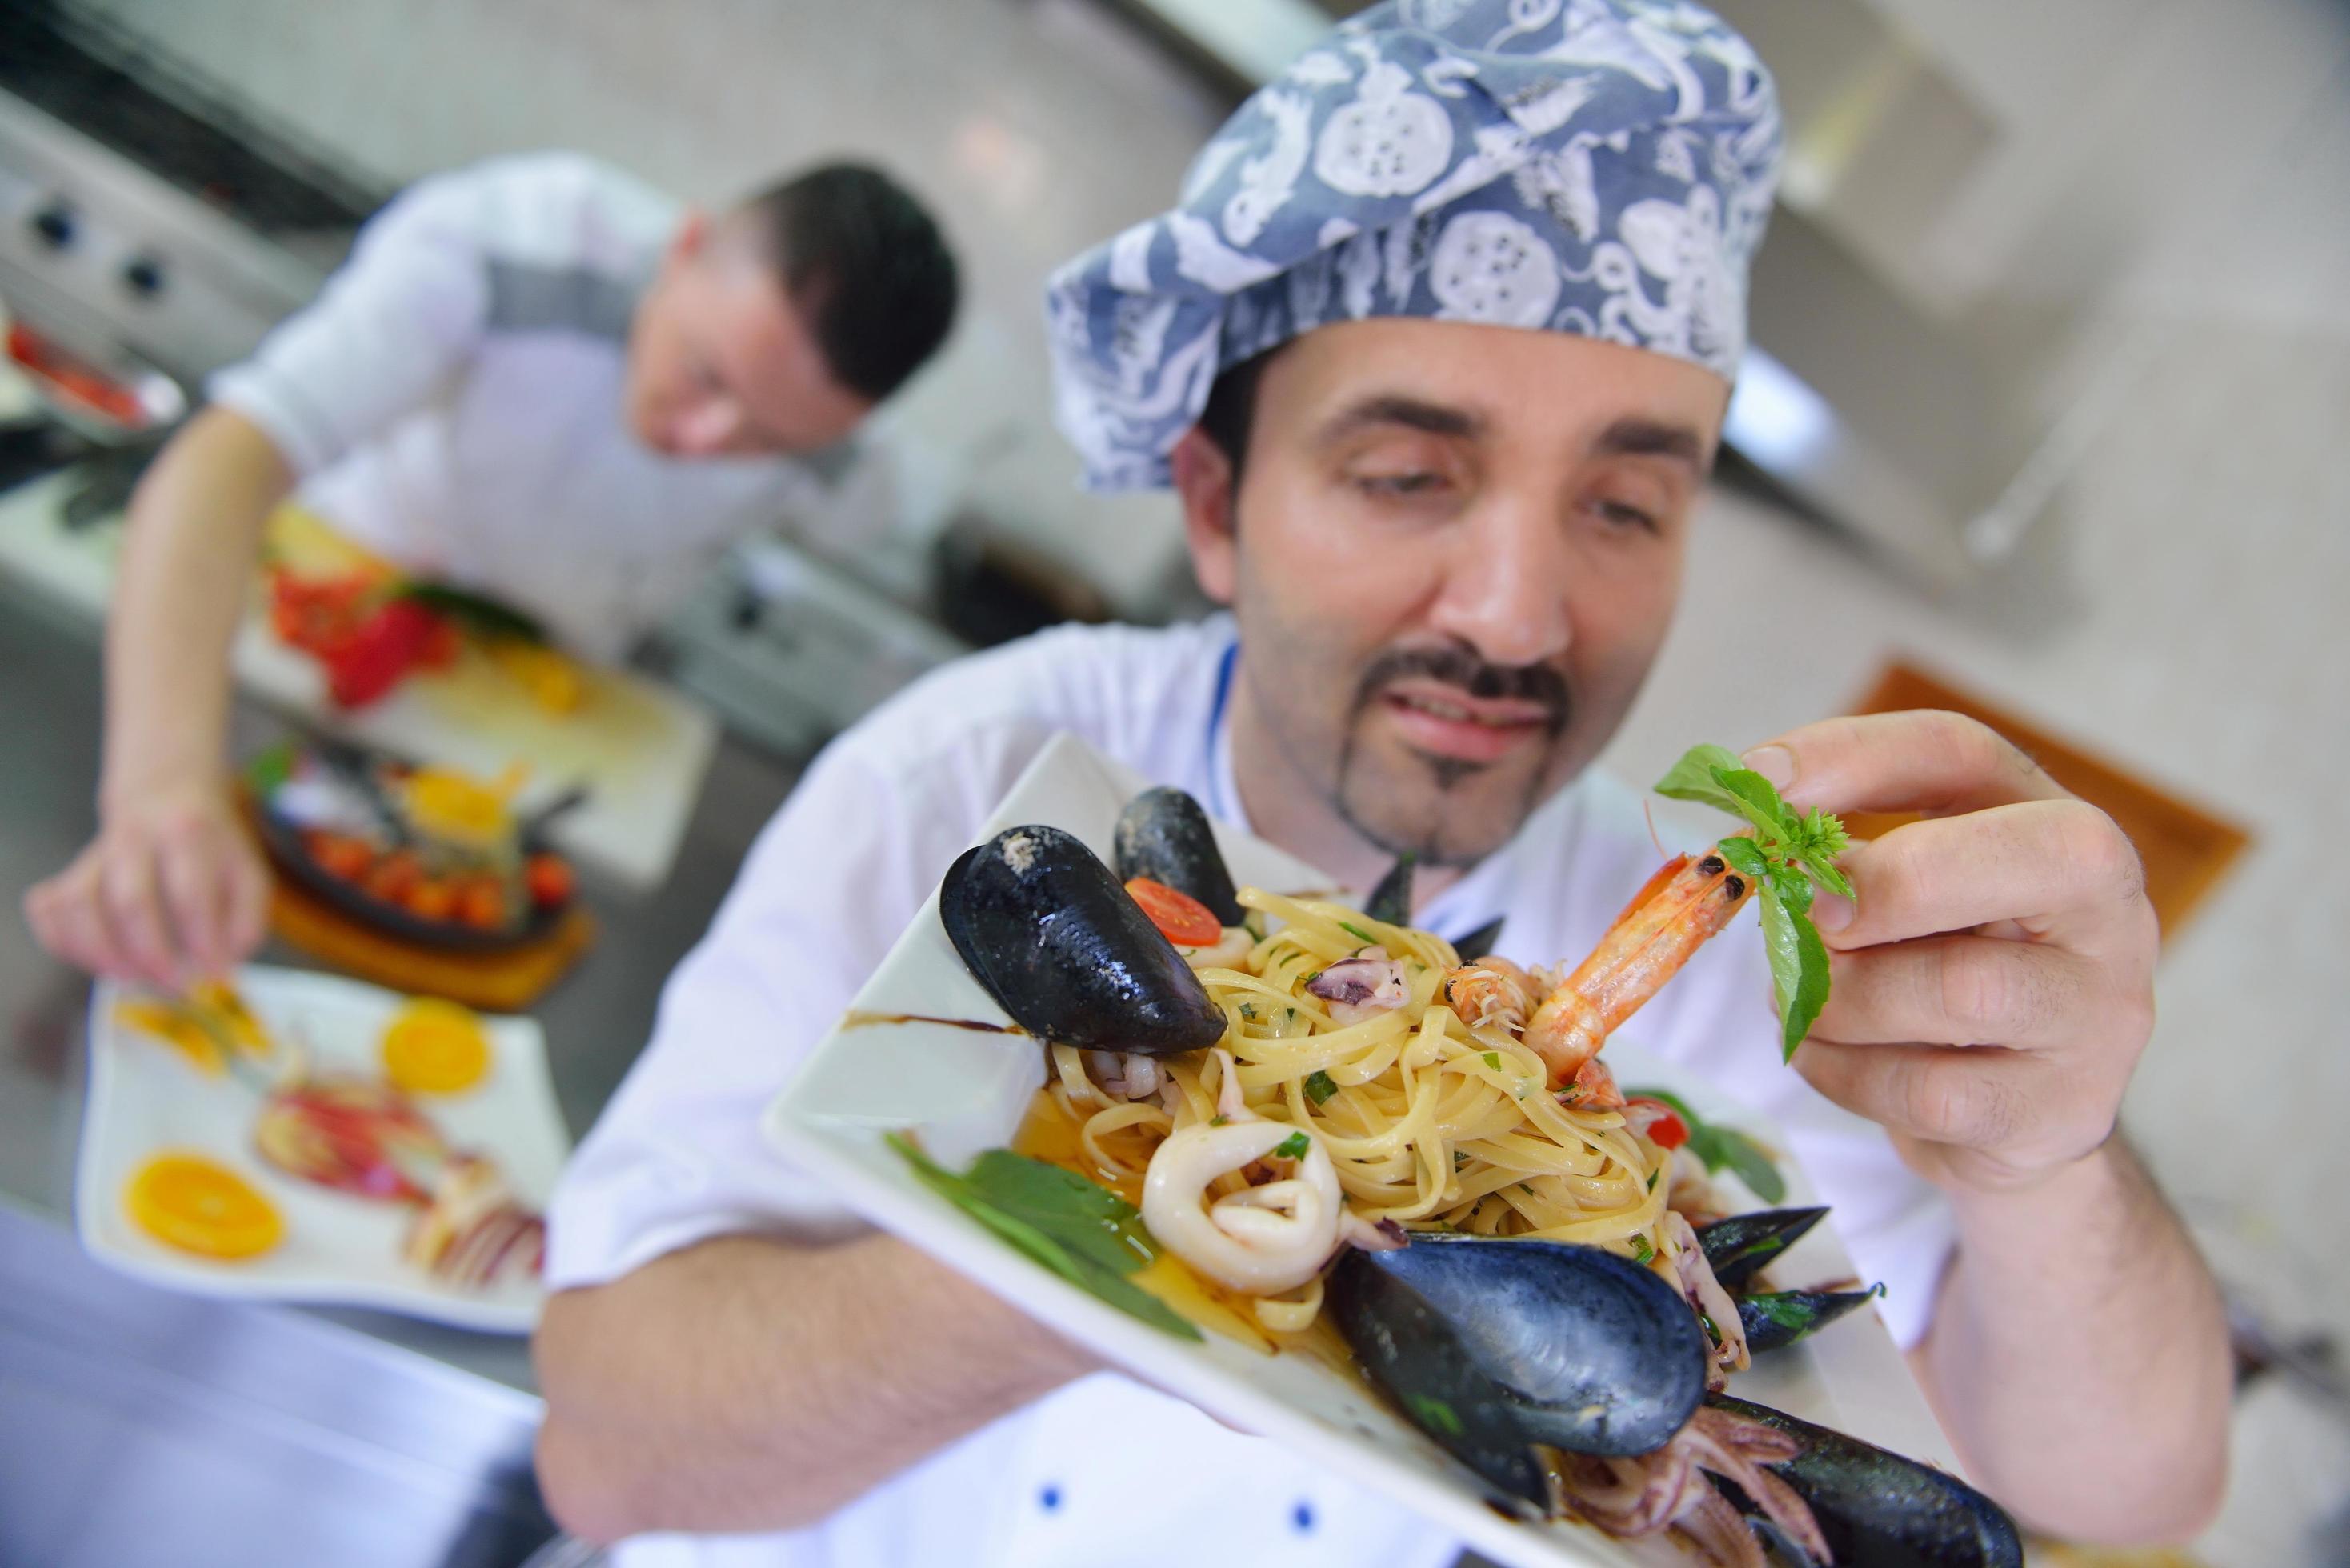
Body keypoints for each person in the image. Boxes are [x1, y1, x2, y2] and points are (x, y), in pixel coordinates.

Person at [531, 4, 2230, 1563]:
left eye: (1623, 504)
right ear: (1212, 504)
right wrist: (1186, 1225)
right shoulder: (969, 771)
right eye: (1409, 472)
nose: (1516, 611)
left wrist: (2052, 1160)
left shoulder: (1716, 957)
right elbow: (609, 1449)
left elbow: (2118, 1490)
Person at [24, 151, 957, 990]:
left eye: (768, 440)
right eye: (706, 375)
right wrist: (160, 782)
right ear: (686, 244)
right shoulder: (511, 238)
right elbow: (228, 462)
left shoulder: (850, 470)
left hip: (523, 732)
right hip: (307, 652)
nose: (705, 440)